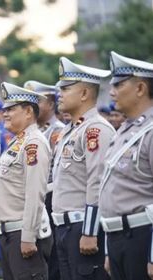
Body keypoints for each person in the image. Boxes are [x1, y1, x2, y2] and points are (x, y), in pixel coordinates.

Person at [52, 57, 115, 280]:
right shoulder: (71, 130)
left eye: (66, 88)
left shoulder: (95, 130)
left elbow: (97, 182)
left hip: (82, 227)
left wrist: (89, 231)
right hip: (64, 227)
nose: (59, 93)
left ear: (85, 94)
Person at [0, 82, 53, 280]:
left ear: (28, 112)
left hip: (22, 235)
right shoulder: (18, 142)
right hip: (9, 234)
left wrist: (28, 237)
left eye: (11, 109)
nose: (5, 113)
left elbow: (35, 193)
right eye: (4, 109)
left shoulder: (33, 143)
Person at [99, 51, 153, 280]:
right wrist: (111, 249)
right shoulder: (124, 131)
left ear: (140, 89)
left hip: (142, 237)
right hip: (118, 237)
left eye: (119, 85)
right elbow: (113, 189)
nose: (111, 92)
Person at [24, 79, 64, 280]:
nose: (33, 107)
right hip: (35, 199)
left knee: (53, 257)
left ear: (50, 103)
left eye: (37, 101)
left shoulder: (57, 131)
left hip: (49, 197)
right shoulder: (34, 132)